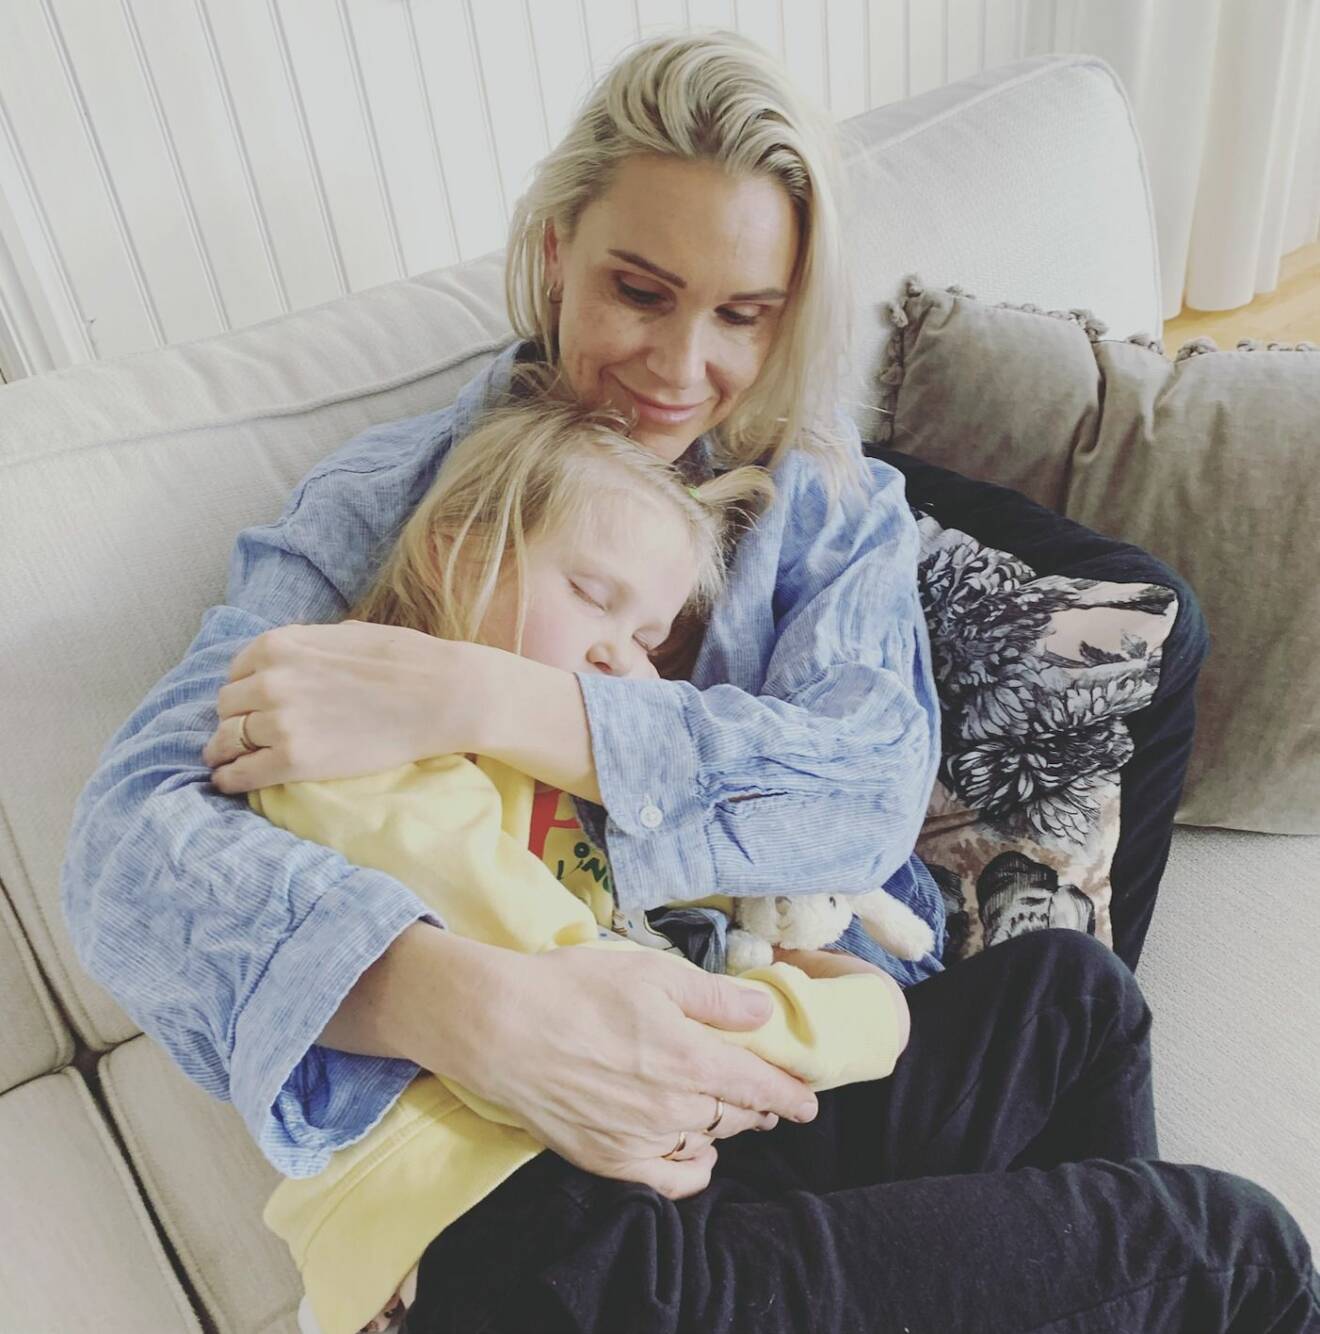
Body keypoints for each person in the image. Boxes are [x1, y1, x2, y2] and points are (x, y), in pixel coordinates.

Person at [60, 29, 1316, 1334]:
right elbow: (128, 848)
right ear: (558, 253)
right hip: (564, 1188)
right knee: (1239, 1254)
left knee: (1080, 998)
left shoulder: (823, 505)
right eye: (640, 291)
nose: (678, 367)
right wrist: (468, 1004)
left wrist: (492, 700)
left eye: (742, 315)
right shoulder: (403, 505)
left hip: (772, 1086)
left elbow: (864, 790)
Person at [251, 389, 920, 1333]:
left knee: (1067, 993)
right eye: (592, 598)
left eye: (648, 641)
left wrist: (831, 988)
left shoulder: (583, 791)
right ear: (456, 548)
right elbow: (613, 1024)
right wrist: (862, 1011)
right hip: (486, 1204)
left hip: (643, 1162)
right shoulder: (360, 755)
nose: (618, 660)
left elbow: (718, 931)